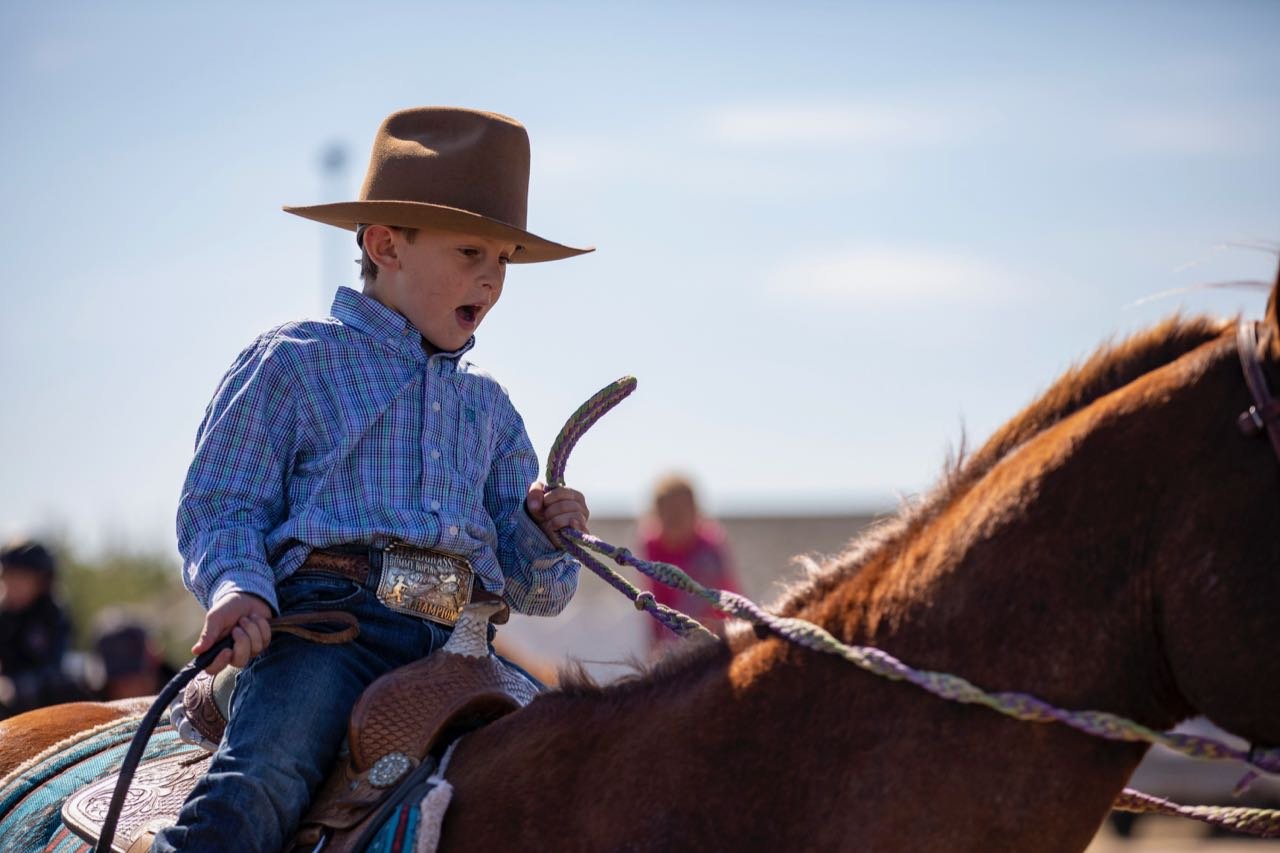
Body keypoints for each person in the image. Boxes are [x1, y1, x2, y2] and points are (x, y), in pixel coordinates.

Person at [155, 107, 593, 852]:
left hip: (466, 645)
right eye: (470, 252)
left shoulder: (488, 407)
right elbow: (224, 503)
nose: (491, 278)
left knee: (578, 775)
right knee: (263, 783)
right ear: (386, 245)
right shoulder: (294, 362)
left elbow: (537, 593)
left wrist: (548, 535)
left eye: (504, 259)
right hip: (333, 631)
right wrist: (238, 587)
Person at [639, 474, 743, 648]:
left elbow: (698, 603)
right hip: (672, 635)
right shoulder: (651, 545)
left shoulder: (709, 548)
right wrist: (657, 643)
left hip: (720, 633)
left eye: (680, 514)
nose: (674, 520)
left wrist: (670, 643)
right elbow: (654, 602)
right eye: (668, 514)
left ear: (695, 512)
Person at [0, 539, 84, 717]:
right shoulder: (3, 615)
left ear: (41, 582)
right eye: (9, 576)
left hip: (43, 699)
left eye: (23, 578)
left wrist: (16, 686)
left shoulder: (52, 616)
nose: (14, 585)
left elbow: (55, 667)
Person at [92, 618, 179, 701]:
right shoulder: (94, 704)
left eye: (137, 680)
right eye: (119, 684)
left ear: (155, 659)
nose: (130, 691)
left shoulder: (182, 695)